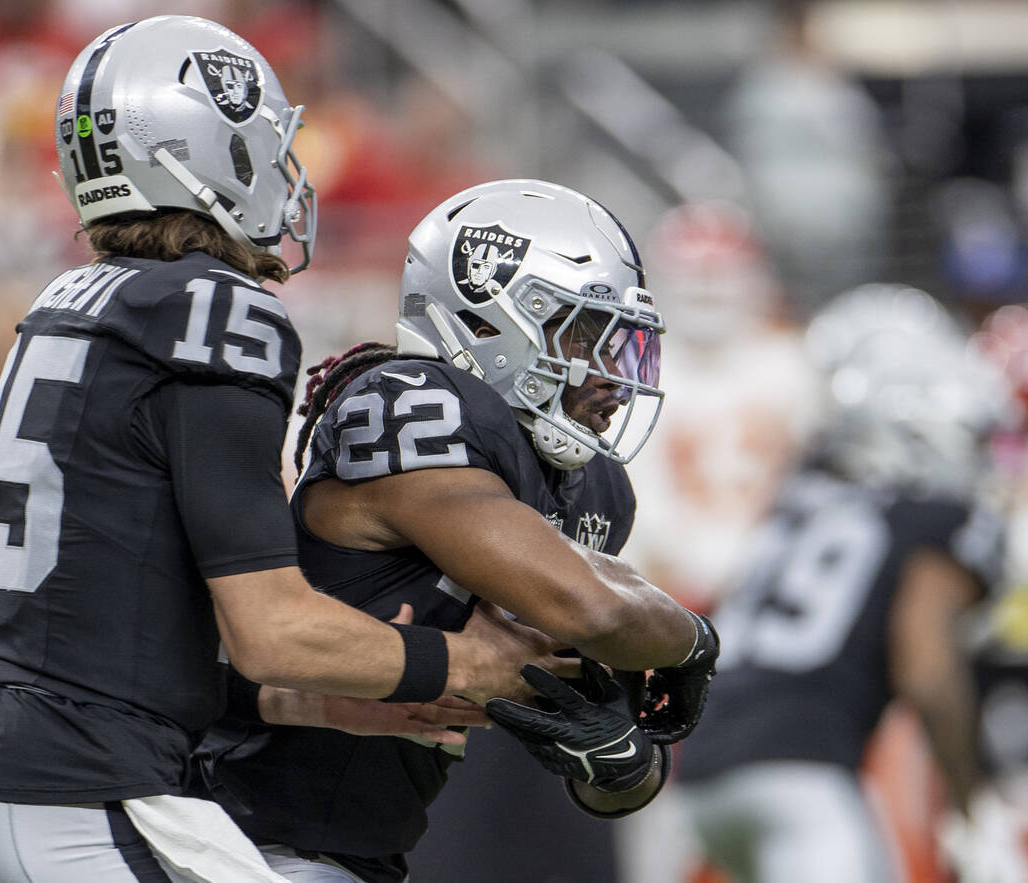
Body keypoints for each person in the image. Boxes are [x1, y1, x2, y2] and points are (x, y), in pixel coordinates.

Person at [0, 18, 566, 883]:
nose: (284, 175)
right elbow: (271, 629)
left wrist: (339, 703)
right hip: (65, 795)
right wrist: (466, 661)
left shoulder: (68, 300)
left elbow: (124, 627)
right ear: (206, 152)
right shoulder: (218, 312)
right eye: (267, 149)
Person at [193, 179, 719, 883]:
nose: (613, 378)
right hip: (228, 830)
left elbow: (616, 772)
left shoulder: (590, 489)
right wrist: (695, 640)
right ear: (491, 320)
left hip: (359, 850)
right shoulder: (409, 402)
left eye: (620, 346)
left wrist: (618, 760)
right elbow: (593, 607)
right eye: (587, 336)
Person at [674, 284, 1008, 883]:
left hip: (701, 771)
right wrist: (973, 802)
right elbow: (927, 668)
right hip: (801, 773)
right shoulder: (933, 515)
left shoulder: (801, 495)